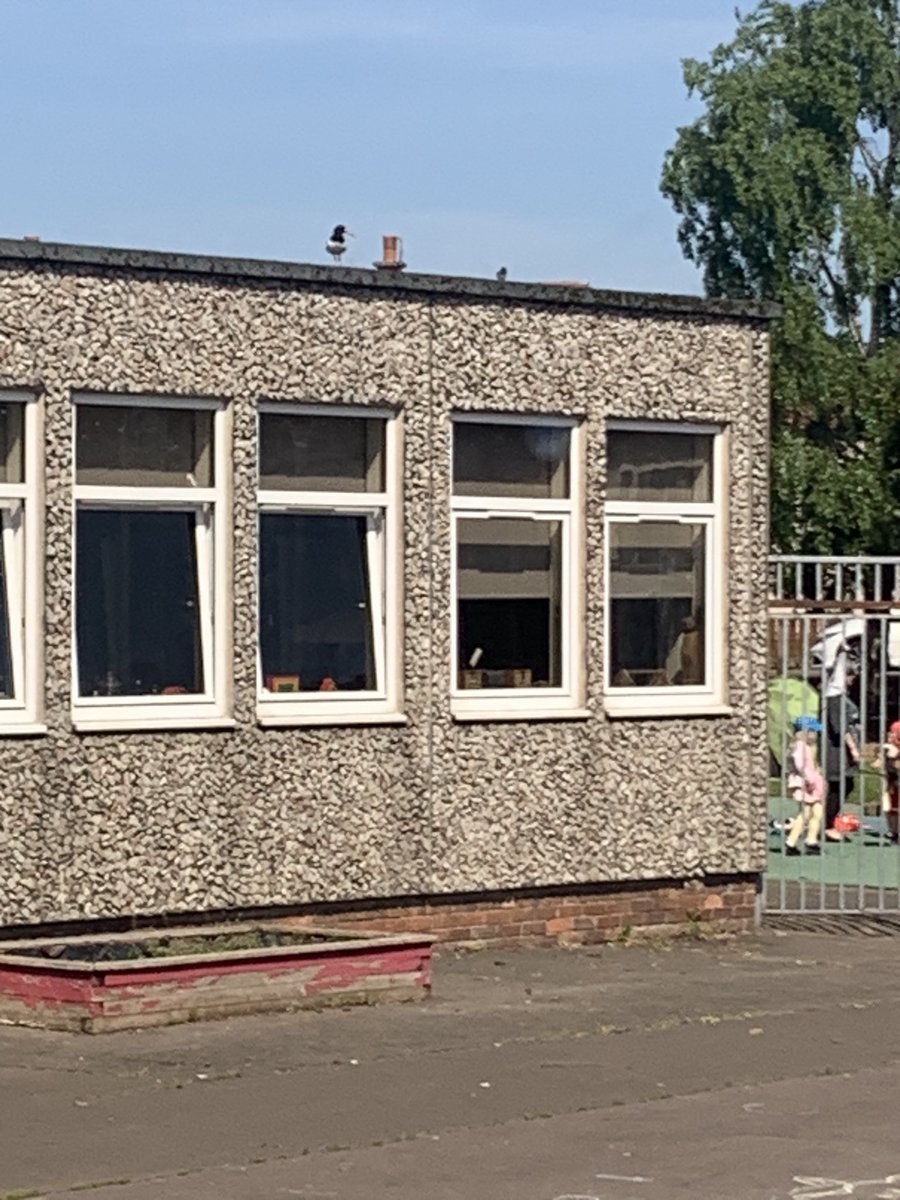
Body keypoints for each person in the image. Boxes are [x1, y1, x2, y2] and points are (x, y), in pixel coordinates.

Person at [822, 658, 862, 841]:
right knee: (839, 786)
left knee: (845, 785)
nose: (853, 679)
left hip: (845, 750)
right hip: (837, 751)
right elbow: (840, 727)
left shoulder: (843, 697)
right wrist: (853, 749)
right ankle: (827, 825)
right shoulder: (834, 699)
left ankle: (829, 822)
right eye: (850, 675)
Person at [784, 715, 825, 856]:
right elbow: (800, 764)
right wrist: (807, 778)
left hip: (812, 783)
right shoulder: (799, 747)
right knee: (805, 813)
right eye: (813, 731)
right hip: (805, 783)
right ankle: (791, 842)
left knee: (818, 812)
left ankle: (811, 840)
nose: (815, 734)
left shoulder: (808, 747)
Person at [877, 720, 900, 845]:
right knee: (891, 803)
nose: (890, 735)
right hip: (892, 776)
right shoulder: (889, 746)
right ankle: (893, 831)